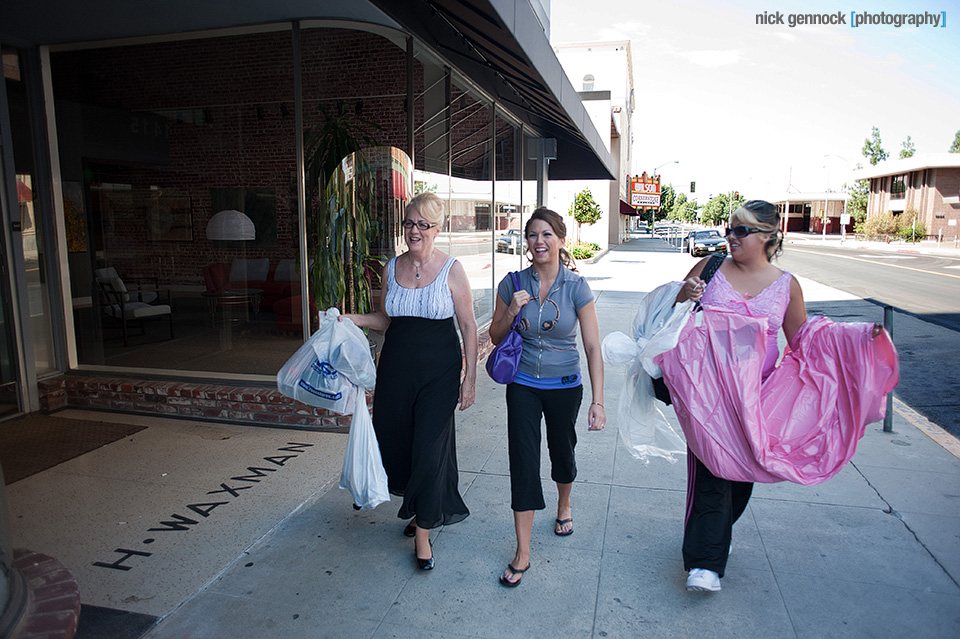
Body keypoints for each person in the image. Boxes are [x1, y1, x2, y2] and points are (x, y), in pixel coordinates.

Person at [672, 199, 882, 593]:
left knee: (742, 479)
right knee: (713, 472)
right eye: (729, 228)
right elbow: (670, 315)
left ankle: (714, 536)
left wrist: (854, 339)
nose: (730, 237)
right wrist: (684, 294)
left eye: (741, 231)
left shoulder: (787, 285)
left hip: (760, 401)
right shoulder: (710, 268)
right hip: (708, 398)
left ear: (768, 237)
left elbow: (805, 340)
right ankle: (705, 563)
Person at [342, 192, 477, 571]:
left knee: (430, 448)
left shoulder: (451, 269)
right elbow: (386, 320)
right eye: (408, 223)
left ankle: (423, 532)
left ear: (437, 229)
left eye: (422, 224)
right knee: (399, 442)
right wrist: (356, 319)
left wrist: (469, 378)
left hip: (440, 372)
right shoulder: (392, 268)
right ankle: (420, 508)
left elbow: (467, 325)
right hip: (397, 371)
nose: (413, 231)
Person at [488, 207, 606, 588]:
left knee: (562, 452)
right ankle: (522, 550)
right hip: (522, 383)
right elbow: (494, 335)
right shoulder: (512, 283)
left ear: (560, 240)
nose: (538, 242)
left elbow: (591, 346)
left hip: (565, 384)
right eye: (532, 235)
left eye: (546, 235)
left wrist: (598, 400)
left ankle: (564, 502)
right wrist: (512, 309)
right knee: (523, 459)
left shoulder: (576, 287)